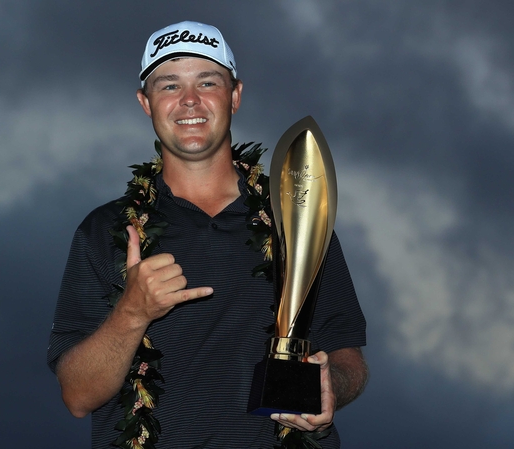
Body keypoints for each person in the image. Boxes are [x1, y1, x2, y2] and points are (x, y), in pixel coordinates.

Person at [47, 21, 368, 448]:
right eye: (169, 85)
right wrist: (132, 312)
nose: (189, 101)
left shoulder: (299, 215)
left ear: (234, 95)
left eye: (207, 81)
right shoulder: (106, 231)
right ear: (146, 103)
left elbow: (348, 354)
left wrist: (333, 386)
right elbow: (77, 395)